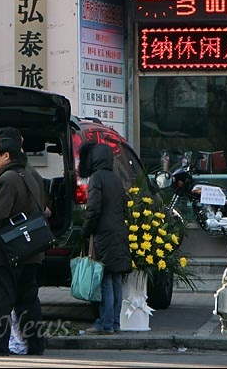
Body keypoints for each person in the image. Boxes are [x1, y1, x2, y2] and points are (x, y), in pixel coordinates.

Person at [0, 132, 46, 356]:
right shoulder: (31, 174)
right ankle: (36, 345)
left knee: (2, 300)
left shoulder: (7, 179)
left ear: (6, 155)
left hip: (6, 250)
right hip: (31, 248)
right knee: (28, 300)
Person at [78, 143, 132, 334]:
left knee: (105, 280)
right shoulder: (116, 179)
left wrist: (85, 231)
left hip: (104, 234)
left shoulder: (97, 178)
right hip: (119, 233)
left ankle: (105, 324)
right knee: (116, 279)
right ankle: (115, 323)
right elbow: (125, 209)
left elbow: (93, 209)